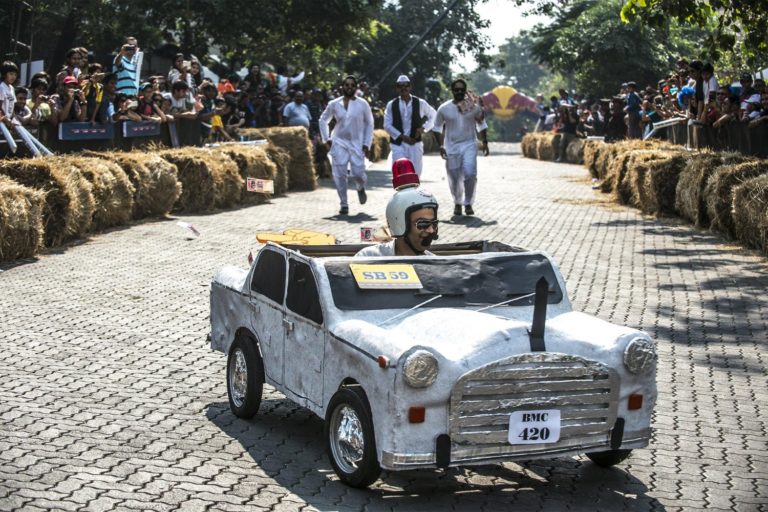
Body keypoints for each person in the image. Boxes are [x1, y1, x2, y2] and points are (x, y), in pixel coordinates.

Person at [356, 160, 439, 257]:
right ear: (399, 225)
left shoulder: (435, 264)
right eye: (423, 224)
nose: (431, 231)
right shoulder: (369, 257)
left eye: (434, 224)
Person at [432, 78, 489, 217]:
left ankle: (468, 203)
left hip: (469, 144)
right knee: (454, 178)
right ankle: (457, 202)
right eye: (456, 89)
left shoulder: (472, 107)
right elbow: (436, 127)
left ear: (465, 91)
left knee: (470, 174)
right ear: (452, 91)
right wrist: (441, 145)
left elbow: (481, 124)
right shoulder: (444, 108)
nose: (459, 92)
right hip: (451, 147)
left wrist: (485, 142)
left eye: (462, 90)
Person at [319, 75, 374, 215]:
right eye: (347, 85)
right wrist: (326, 139)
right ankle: (344, 204)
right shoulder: (334, 104)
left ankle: (360, 187)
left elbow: (370, 123)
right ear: (342, 87)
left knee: (358, 173)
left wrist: (367, 143)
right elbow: (323, 120)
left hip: (357, 143)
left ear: (356, 88)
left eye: (352, 85)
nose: (349, 87)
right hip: (338, 142)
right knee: (339, 174)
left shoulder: (363, 104)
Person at [383, 74, 437, 176]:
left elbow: (434, 115)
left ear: (410, 87)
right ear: (397, 88)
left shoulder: (420, 103)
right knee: (400, 172)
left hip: (415, 144)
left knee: (415, 174)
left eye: (406, 85)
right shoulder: (391, 104)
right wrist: (402, 136)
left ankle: (413, 191)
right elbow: (386, 124)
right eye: (400, 86)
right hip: (398, 144)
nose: (403, 88)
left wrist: (423, 128)